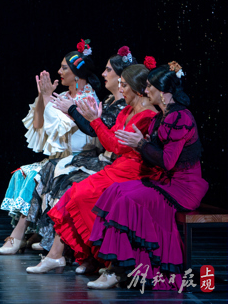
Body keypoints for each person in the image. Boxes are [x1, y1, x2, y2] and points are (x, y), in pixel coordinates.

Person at [27, 60, 158, 274]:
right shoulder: (126, 112)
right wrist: (94, 120)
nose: (121, 89)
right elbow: (110, 144)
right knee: (72, 195)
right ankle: (68, 256)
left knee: (82, 196)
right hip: (117, 168)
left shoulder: (148, 116)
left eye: (124, 85)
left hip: (133, 173)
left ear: (137, 88)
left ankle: (103, 259)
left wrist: (94, 121)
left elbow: (117, 146)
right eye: (121, 84)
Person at [87, 61, 208, 290]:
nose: (146, 90)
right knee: (115, 190)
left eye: (150, 86)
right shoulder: (162, 116)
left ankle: (118, 269)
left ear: (163, 92)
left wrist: (141, 144)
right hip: (165, 182)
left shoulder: (179, 117)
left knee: (127, 199)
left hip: (183, 187)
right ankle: (125, 266)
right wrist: (139, 144)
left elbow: (168, 161)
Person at [21, 46, 135, 253]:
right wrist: (43, 97)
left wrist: (59, 103)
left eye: (108, 70)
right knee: (45, 171)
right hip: (98, 158)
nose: (103, 73)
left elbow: (95, 132)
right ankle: (42, 236)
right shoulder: (110, 101)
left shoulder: (93, 100)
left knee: (61, 176)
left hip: (99, 159)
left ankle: (61, 247)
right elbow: (40, 124)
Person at [0, 43, 101, 255]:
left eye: (64, 68)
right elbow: (38, 125)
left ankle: (19, 235)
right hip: (62, 158)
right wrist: (42, 100)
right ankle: (35, 232)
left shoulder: (87, 98)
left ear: (77, 73)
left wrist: (46, 98)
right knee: (22, 173)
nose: (59, 72)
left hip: (80, 160)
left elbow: (63, 126)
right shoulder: (64, 97)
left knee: (37, 176)